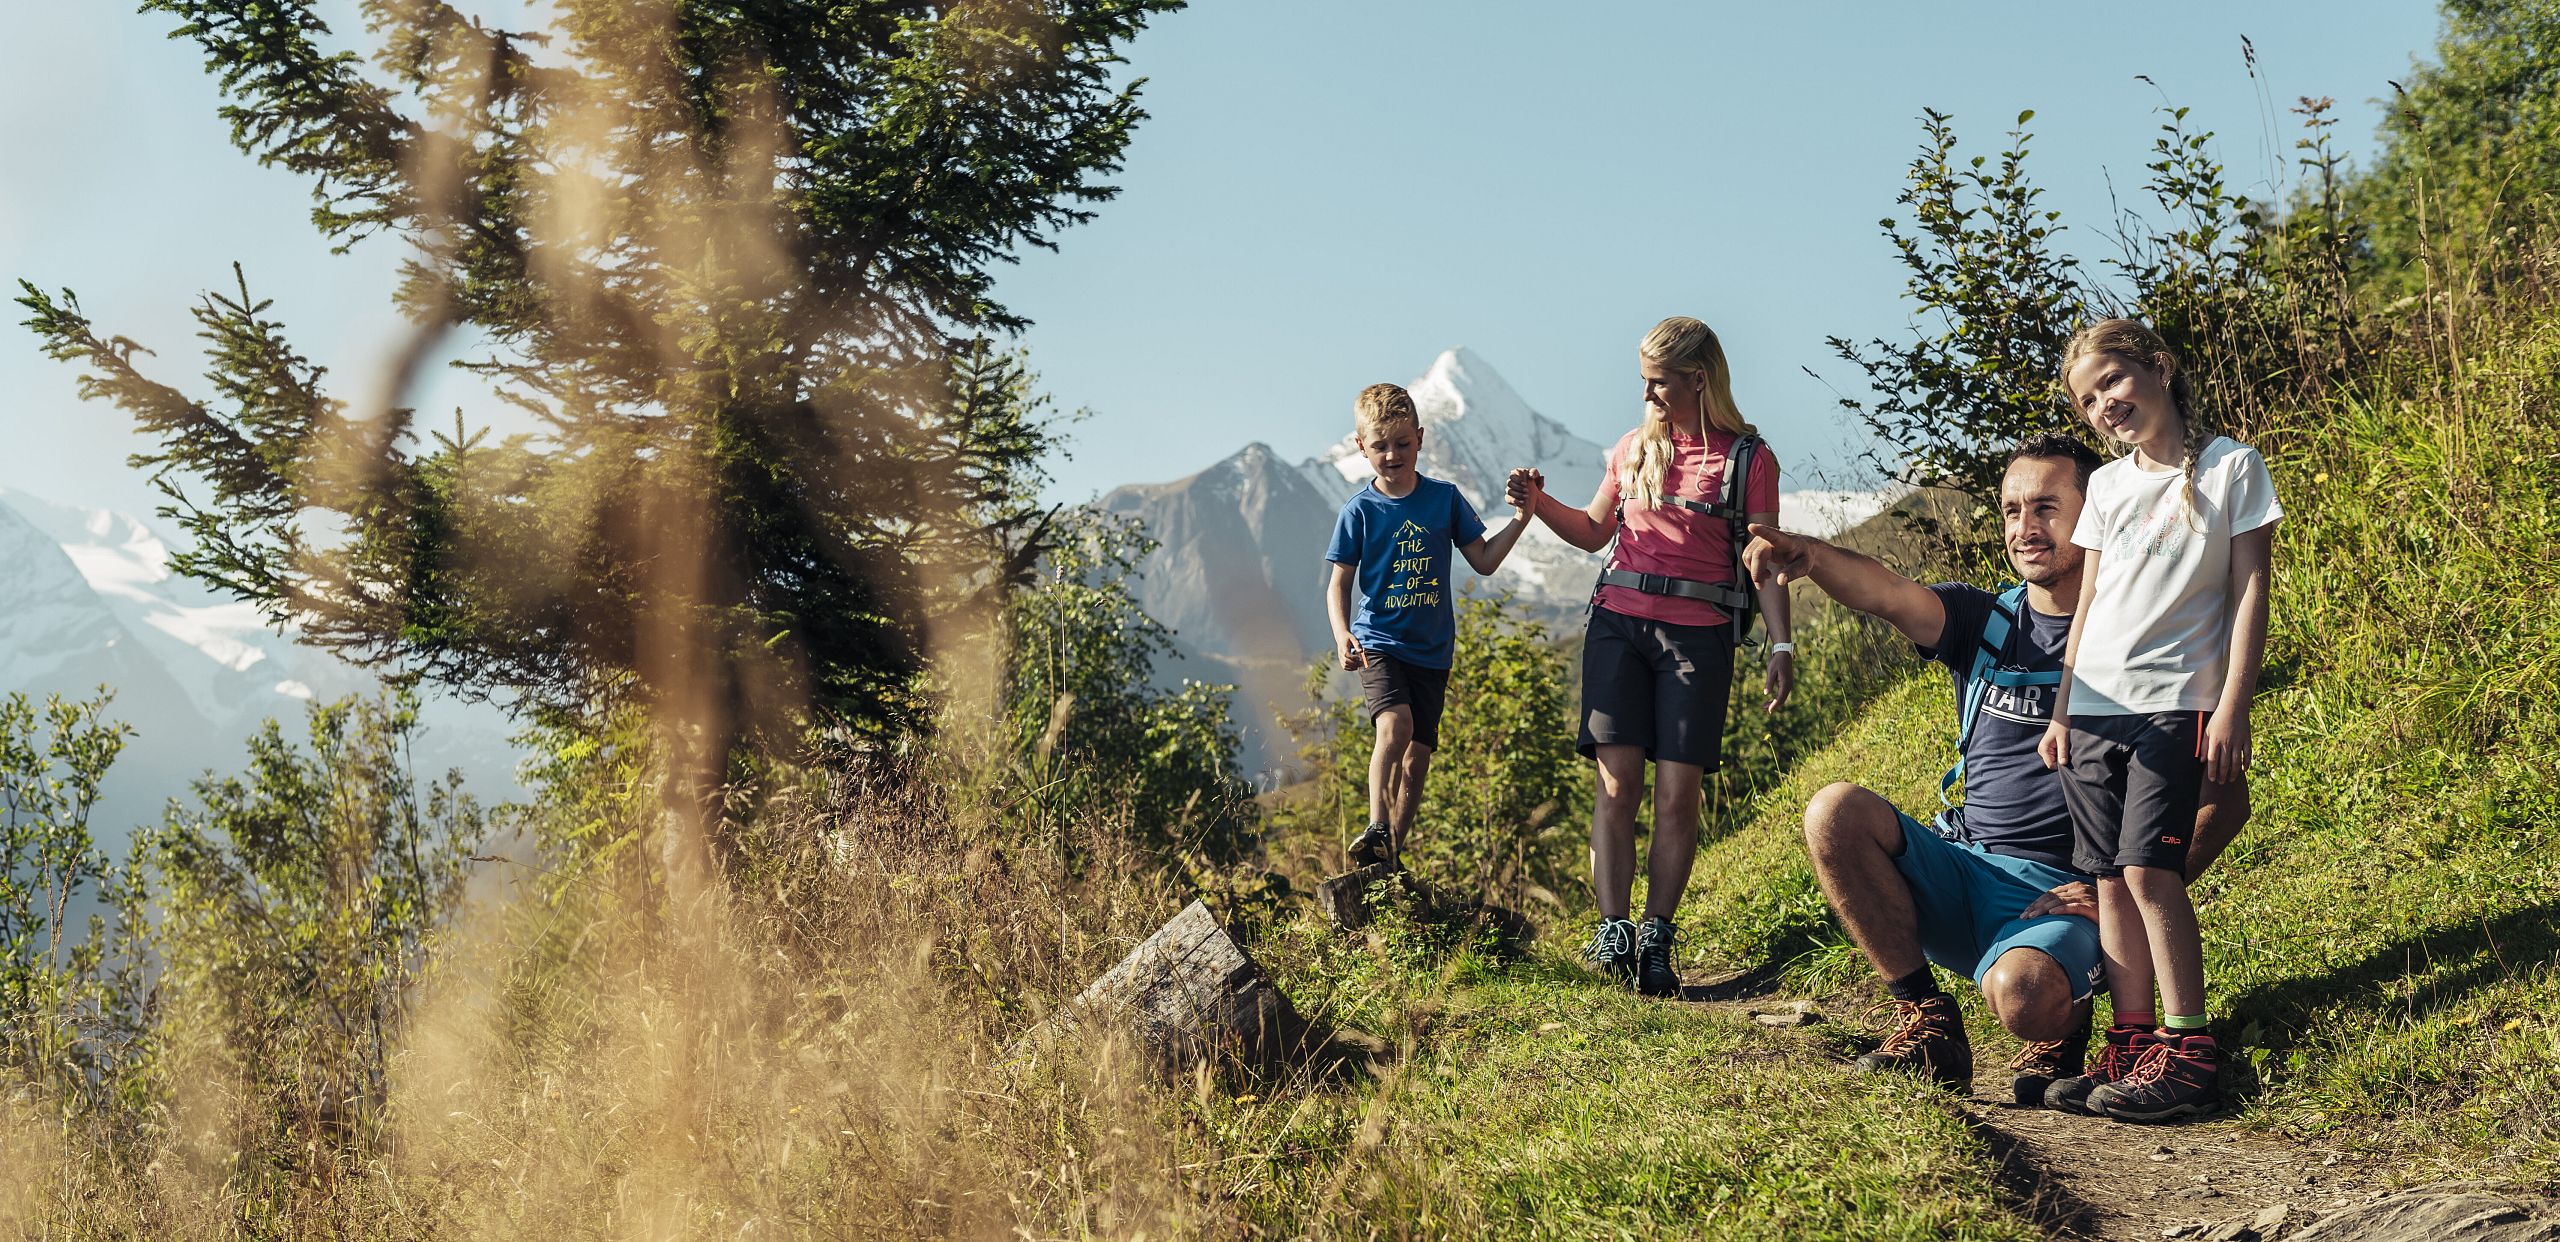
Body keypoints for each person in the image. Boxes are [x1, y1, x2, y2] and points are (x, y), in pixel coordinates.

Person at [1743, 434, 2253, 1104]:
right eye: (2012, 510)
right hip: (1961, 867)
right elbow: (1888, 594)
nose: (2024, 528)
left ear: (2099, 513)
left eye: (2046, 508)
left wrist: (2125, 892)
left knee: (2024, 997)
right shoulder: (1984, 621)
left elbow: (2227, 798)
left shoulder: (2148, 638)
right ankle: (1926, 1021)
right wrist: (1811, 556)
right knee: (1833, 810)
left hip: (2064, 896)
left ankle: (2063, 1024)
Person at [1504, 316, 1791, 997]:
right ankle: (1614, 933)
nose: (1648, 396)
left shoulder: (1749, 459)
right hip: (1618, 627)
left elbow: (1766, 561)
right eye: (1643, 383)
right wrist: (1538, 502)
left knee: (1676, 795)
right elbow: (1593, 531)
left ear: (1699, 378)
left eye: (1659, 384)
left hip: (1699, 636)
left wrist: (1781, 643)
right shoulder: (1632, 449)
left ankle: (1657, 937)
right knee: (1616, 785)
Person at [2036, 319, 2280, 1122]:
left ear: (2159, 369)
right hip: (2094, 709)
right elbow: (2090, 604)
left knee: (2149, 871)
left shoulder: (2231, 467)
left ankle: (2190, 1049)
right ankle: (2132, 1039)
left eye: (2113, 382)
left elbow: (2249, 592)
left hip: (2176, 702)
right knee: (2109, 879)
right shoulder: (2105, 487)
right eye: (2088, 398)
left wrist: (2234, 701)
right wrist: (2063, 708)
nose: (2104, 404)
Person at [1325, 382, 1531, 870]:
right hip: (1380, 642)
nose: (1392, 454)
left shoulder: (1444, 500)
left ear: (1420, 438)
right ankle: (1376, 825)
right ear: (1361, 447)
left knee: (1417, 760)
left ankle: (1389, 853)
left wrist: (1524, 518)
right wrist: (1342, 634)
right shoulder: (1359, 511)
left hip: (1433, 652)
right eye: (1380, 446)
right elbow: (1337, 586)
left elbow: (1482, 561)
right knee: (1394, 728)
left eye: (1401, 443)